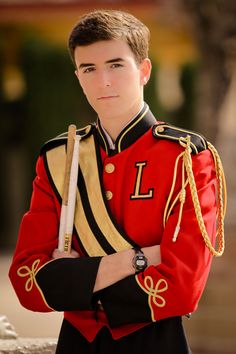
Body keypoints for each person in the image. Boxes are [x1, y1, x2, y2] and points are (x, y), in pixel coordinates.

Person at [9, 9, 226, 354]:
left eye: (116, 65)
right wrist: (137, 259)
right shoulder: (58, 158)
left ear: (144, 71)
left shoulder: (185, 157)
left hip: (156, 342)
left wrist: (75, 279)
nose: (103, 81)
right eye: (88, 69)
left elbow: (182, 286)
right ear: (77, 76)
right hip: (77, 344)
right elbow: (27, 281)